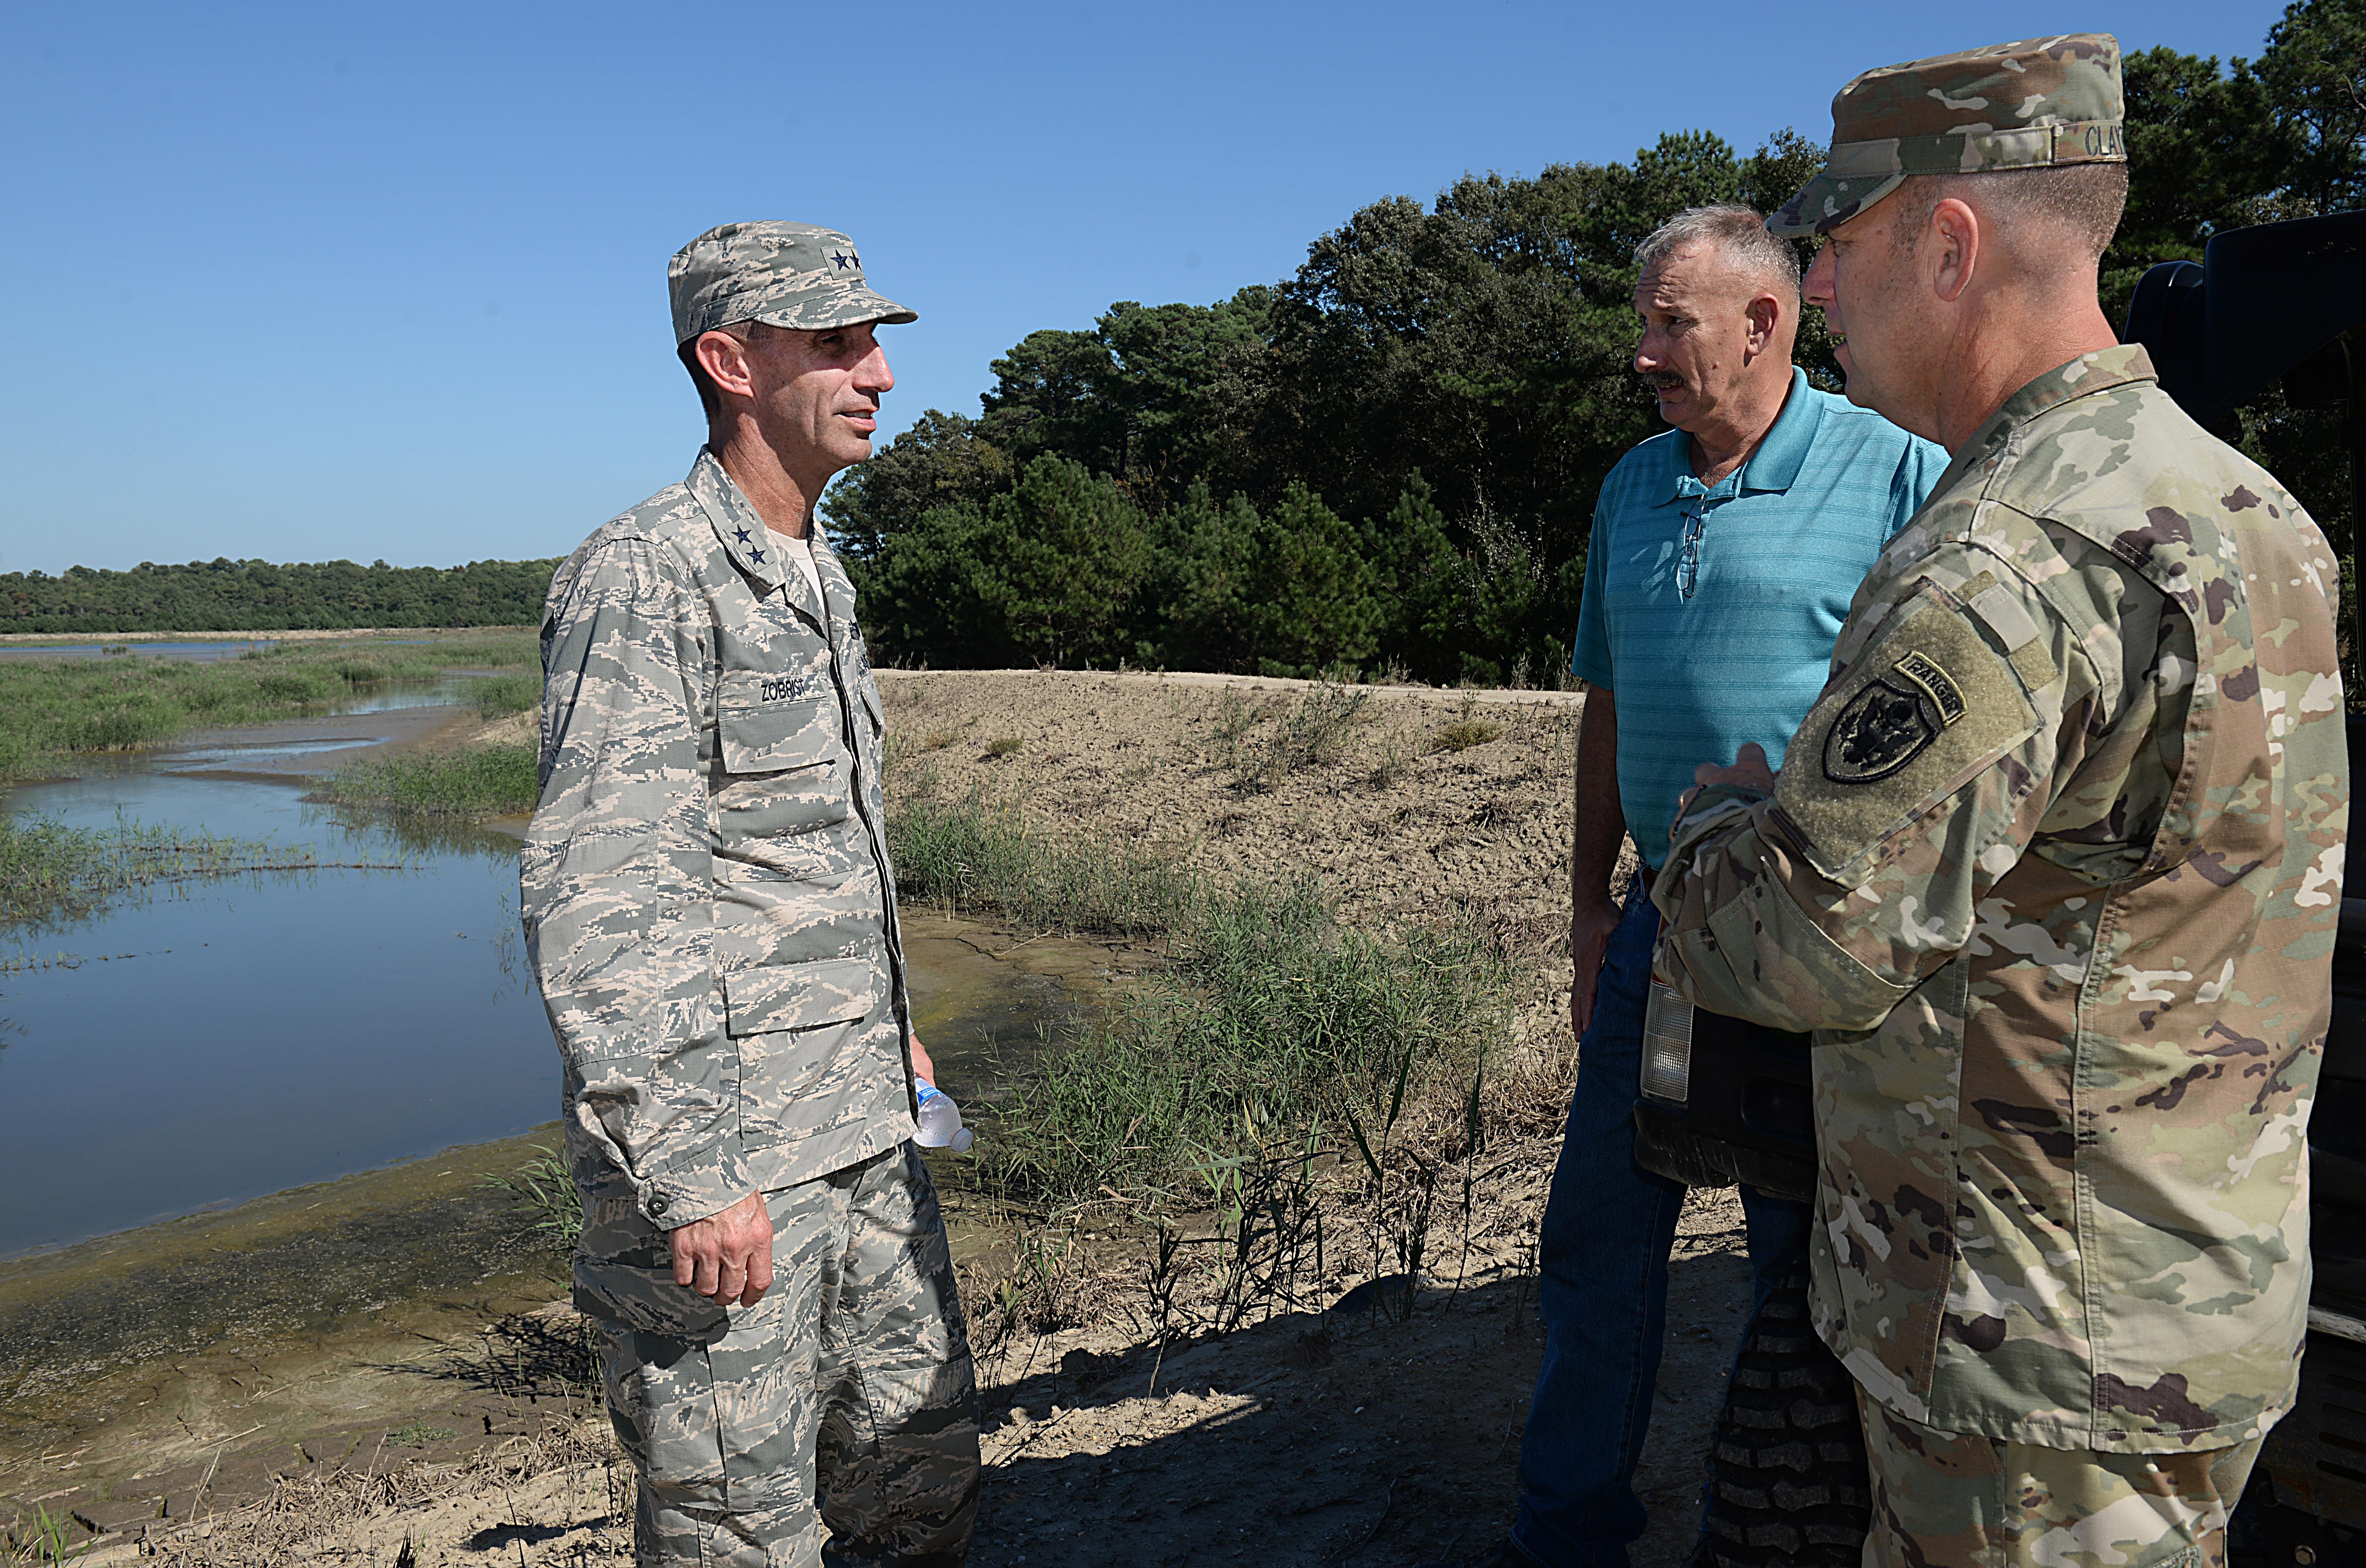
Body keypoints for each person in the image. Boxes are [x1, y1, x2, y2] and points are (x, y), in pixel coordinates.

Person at [1651, 36, 2345, 1568]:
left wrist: (1708, 832)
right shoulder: (2254, 511)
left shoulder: (2002, 559)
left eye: (1833, 247)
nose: (1815, 292)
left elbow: (1803, 949)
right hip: (2186, 1298)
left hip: (2028, 1354)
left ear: (1944, 245)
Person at [1438, 206, 1945, 1568]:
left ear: (1765, 324)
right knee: (1599, 1240)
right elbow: (1609, 698)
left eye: (1672, 322)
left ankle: (1777, 1535)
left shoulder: (1900, 472)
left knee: (1797, 1262)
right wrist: (1593, 899)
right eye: (1648, 321)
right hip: (1662, 924)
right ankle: (1567, 1532)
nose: (1643, 352)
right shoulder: (1629, 484)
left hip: (1812, 939)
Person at [520, 221, 979, 1568]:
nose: (880, 372)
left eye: (875, 341)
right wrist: (690, 1172)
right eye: (838, 343)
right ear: (730, 362)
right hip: (726, 1165)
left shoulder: (817, 572)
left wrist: (886, 1020)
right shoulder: (645, 575)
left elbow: (800, 854)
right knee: (741, 1524)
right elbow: (601, 893)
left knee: (919, 1467)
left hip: (860, 1118)